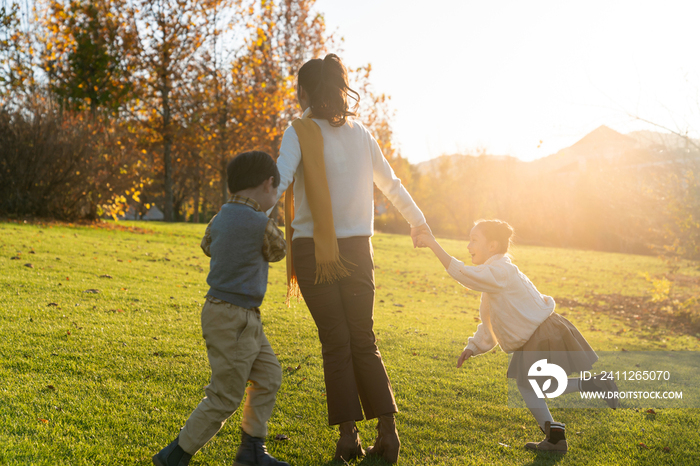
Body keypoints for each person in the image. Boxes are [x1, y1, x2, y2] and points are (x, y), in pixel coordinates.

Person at [274, 53, 429, 464]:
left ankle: (348, 437)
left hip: (313, 252)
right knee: (363, 339)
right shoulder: (362, 134)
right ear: (341, 90)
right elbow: (392, 185)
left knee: (336, 342)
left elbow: (280, 177)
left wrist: (247, 210)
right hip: (360, 251)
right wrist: (419, 223)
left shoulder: (299, 131)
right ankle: (389, 435)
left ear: (305, 91)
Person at [416, 219, 619, 454]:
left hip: (541, 333)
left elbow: (465, 275)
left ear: (492, 246)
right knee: (534, 386)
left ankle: (562, 430)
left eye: (474, 240)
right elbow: (490, 323)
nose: (468, 245)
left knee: (535, 386)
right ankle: (560, 432)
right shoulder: (495, 276)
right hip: (536, 334)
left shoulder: (501, 270)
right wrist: (473, 347)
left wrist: (432, 243)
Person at [153, 151, 290, 466]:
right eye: (276, 191)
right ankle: (175, 455)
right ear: (269, 183)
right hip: (237, 319)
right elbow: (279, 251)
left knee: (268, 374)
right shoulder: (262, 223)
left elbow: (208, 246)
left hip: (225, 312)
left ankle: (251, 451)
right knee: (225, 395)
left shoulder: (219, 217)